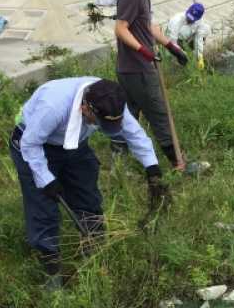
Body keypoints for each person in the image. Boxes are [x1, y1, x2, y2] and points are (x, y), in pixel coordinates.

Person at [9, 77, 166, 290]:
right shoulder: (53, 106)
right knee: (43, 206)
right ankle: (51, 270)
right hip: (35, 144)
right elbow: (30, 143)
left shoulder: (111, 99)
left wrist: (152, 168)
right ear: (85, 109)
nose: (104, 127)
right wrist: (46, 180)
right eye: (101, 123)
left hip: (75, 144)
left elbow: (134, 134)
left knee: (87, 195)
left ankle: (93, 253)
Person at [114, 0, 189, 169]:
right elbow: (121, 28)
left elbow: (147, 25)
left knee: (128, 114)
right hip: (138, 67)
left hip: (130, 67)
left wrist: (171, 46)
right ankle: (178, 163)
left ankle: (119, 159)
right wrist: (144, 51)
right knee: (159, 113)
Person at [165, 2, 212, 70]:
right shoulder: (176, 20)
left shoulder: (200, 23)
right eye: (189, 17)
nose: (189, 19)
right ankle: (177, 62)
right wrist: (181, 53)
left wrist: (200, 57)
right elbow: (172, 42)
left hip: (186, 39)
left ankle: (192, 57)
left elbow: (199, 39)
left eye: (192, 19)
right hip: (174, 40)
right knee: (176, 56)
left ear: (198, 18)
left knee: (205, 30)